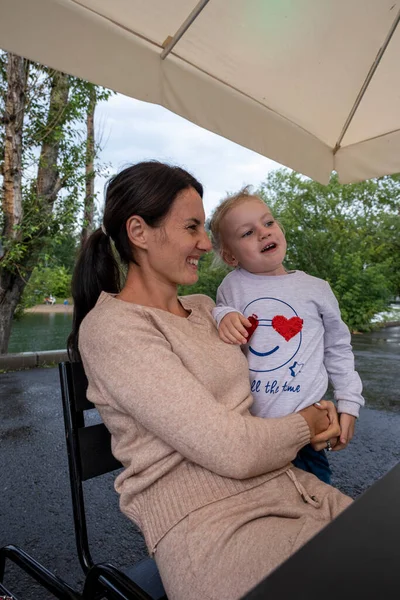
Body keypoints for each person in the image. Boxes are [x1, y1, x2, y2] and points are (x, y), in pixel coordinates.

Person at [68, 161, 351, 600]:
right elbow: (232, 450)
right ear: (139, 232)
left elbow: (276, 371)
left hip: (295, 489)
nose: (205, 243)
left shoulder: (207, 309)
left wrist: (326, 405)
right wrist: (306, 423)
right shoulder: (114, 330)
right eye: (192, 227)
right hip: (217, 530)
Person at [209, 188, 364, 484]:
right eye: (247, 233)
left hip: (308, 428)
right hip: (254, 430)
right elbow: (220, 312)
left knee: (314, 502)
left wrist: (349, 403)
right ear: (230, 255)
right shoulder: (232, 286)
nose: (264, 233)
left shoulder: (316, 288)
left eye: (268, 223)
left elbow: (339, 349)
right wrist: (223, 316)